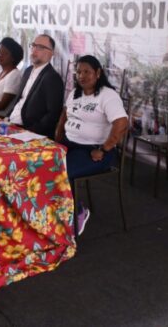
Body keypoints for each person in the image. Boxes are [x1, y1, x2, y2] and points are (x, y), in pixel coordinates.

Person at [54, 55, 128, 235]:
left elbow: (122, 123)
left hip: (95, 151)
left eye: (87, 71)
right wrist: (57, 137)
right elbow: (64, 115)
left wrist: (104, 149)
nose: (82, 76)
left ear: (98, 73)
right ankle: (56, 212)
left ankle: (78, 211)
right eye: (78, 72)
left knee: (62, 172)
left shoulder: (107, 95)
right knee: (41, 164)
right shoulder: (74, 94)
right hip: (70, 145)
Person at [7, 34, 64, 138]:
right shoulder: (28, 71)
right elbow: (19, 100)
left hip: (28, 131)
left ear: (51, 53)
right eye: (33, 45)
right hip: (10, 124)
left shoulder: (52, 78)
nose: (34, 50)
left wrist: (30, 133)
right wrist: (6, 119)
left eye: (40, 47)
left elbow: (53, 114)